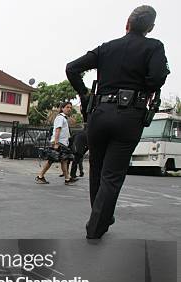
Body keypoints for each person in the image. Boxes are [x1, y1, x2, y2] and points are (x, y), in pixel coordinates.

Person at [66, 5, 169, 239]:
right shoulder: (154, 47)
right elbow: (155, 79)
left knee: (97, 171)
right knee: (112, 175)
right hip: (129, 115)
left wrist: (84, 94)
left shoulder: (106, 48)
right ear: (151, 28)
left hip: (99, 113)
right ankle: (96, 225)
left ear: (127, 23)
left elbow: (72, 68)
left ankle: (100, 216)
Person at [35, 102, 77, 185]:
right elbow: (58, 130)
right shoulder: (60, 118)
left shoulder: (64, 118)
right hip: (58, 143)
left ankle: (67, 179)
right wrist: (56, 143)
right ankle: (40, 176)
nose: (69, 109)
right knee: (51, 160)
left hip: (63, 143)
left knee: (64, 160)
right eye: (67, 107)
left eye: (70, 108)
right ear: (62, 108)